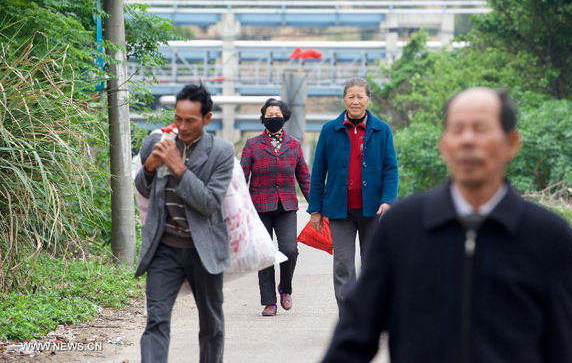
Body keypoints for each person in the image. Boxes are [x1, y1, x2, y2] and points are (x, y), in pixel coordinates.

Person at [322, 87, 572, 363]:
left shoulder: (548, 237)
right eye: (457, 129)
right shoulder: (401, 228)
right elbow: (354, 338)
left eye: (481, 129)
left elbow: (563, 348)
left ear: (512, 143)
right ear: (444, 144)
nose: (468, 140)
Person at [135, 83, 235, 363]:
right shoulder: (157, 141)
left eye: (190, 120)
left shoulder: (221, 152)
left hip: (204, 249)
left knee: (211, 324)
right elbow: (143, 189)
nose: (182, 125)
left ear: (207, 118)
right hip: (164, 247)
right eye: (178, 118)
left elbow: (209, 203)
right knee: (156, 319)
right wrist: (149, 168)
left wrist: (178, 167)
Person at [307, 77, 398, 310]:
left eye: (360, 96)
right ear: (344, 100)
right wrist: (315, 209)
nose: (355, 101)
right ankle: (349, 316)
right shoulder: (329, 130)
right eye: (351, 96)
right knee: (343, 264)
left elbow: (390, 169)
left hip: (373, 209)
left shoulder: (382, 130)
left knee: (373, 264)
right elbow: (319, 172)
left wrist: (388, 201)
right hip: (340, 210)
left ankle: (373, 313)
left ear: (368, 99)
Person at [240, 98, 310, 316]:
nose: (273, 118)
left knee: (289, 249)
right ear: (263, 118)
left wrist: (317, 205)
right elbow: (241, 177)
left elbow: (304, 178)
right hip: (258, 207)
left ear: (284, 117)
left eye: (276, 115)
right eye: (268, 115)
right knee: (264, 254)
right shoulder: (252, 145)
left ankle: (285, 288)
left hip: (286, 206)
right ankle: (269, 301)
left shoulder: (294, 145)